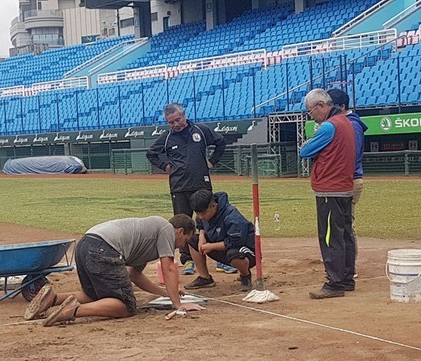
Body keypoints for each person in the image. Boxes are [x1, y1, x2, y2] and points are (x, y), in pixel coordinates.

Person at [24, 214, 205, 326]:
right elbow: (169, 269)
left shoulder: (148, 239)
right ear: (180, 231)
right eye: (185, 240)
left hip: (87, 244)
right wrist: (178, 304)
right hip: (103, 248)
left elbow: (135, 275)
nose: (182, 245)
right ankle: (70, 311)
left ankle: (52, 299)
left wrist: (165, 293)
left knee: (96, 295)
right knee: (126, 306)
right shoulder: (166, 228)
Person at [146, 103, 226, 276]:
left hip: (201, 185)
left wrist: (211, 161)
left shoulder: (201, 130)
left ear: (184, 115)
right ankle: (187, 259)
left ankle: (223, 258)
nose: (175, 124)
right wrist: (165, 166)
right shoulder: (166, 137)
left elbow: (220, 142)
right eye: (171, 122)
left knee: (209, 220)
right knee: (182, 223)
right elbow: (151, 153)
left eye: (178, 119)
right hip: (179, 187)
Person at [300, 88, 356, 299]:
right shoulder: (346, 122)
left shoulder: (329, 127)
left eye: (310, 111)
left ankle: (335, 282)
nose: (311, 116)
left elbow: (304, 151)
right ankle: (347, 278)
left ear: (322, 106)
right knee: (345, 235)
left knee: (331, 237)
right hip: (344, 187)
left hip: (329, 189)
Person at [326, 88, 367, 277]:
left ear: (341, 106)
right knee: (340, 223)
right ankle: (343, 263)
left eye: (331, 105)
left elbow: (352, 154)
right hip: (343, 180)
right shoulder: (341, 123)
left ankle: (348, 267)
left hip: (349, 180)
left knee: (345, 224)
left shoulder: (352, 125)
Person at [183, 189, 256, 292]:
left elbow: (235, 242)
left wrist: (210, 246)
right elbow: (200, 223)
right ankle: (205, 278)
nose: (200, 216)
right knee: (192, 241)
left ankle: (245, 276)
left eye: (203, 213)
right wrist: (201, 237)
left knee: (234, 254)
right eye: (197, 213)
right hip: (221, 247)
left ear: (213, 206)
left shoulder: (232, 216)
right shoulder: (204, 214)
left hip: (245, 251)